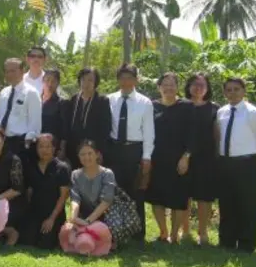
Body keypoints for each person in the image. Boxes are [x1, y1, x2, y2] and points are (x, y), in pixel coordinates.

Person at [217, 77, 256, 253]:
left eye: (236, 89)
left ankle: (246, 244)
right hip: (225, 163)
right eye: (229, 90)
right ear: (224, 92)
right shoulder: (221, 112)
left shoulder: (253, 113)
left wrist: (249, 155)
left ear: (244, 91)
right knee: (227, 203)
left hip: (246, 163)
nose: (232, 93)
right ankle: (227, 240)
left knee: (247, 204)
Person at [64, 140, 140, 250]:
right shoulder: (75, 174)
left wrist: (88, 221)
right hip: (84, 214)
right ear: (78, 157)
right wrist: (74, 217)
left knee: (107, 234)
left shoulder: (107, 173)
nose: (87, 157)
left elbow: (106, 201)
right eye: (83, 154)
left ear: (97, 155)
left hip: (107, 214)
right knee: (69, 232)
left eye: (90, 153)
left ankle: (106, 239)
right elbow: (75, 199)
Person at [106, 63, 154, 238]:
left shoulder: (144, 102)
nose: (126, 82)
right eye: (122, 78)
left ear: (136, 80)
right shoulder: (109, 99)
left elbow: (149, 132)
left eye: (129, 78)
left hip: (134, 151)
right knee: (114, 192)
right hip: (114, 150)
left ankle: (138, 234)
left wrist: (147, 157)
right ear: (118, 79)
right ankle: (114, 230)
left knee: (136, 192)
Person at [145, 73, 194, 244]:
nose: (168, 88)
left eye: (172, 84)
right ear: (159, 87)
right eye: (164, 84)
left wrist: (186, 157)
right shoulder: (152, 106)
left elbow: (193, 135)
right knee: (156, 196)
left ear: (177, 87)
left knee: (178, 198)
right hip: (156, 159)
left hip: (179, 159)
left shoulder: (187, 107)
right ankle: (163, 232)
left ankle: (175, 235)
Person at [183, 72, 220, 244]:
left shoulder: (214, 109)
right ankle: (185, 230)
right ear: (189, 86)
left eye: (202, 84)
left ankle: (203, 232)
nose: (198, 88)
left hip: (206, 158)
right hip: (183, 157)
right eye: (195, 84)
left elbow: (217, 135)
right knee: (184, 195)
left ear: (207, 88)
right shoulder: (181, 106)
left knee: (204, 197)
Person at [21, 134, 70, 249]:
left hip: (53, 214)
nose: (45, 150)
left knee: (45, 244)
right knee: (27, 241)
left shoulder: (62, 168)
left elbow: (63, 197)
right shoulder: (31, 167)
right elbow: (29, 192)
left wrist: (51, 219)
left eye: (48, 146)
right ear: (36, 149)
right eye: (41, 147)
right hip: (35, 213)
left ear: (54, 148)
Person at [0, 58, 41, 169]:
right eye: (7, 71)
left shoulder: (31, 92)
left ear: (22, 71)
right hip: (2, 141)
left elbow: (35, 122)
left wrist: (27, 143)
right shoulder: (4, 91)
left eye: (13, 71)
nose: (9, 74)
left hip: (20, 143)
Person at [60, 67, 111, 168]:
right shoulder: (73, 99)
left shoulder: (102, 101)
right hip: (73, 147)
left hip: (92, 150)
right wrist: (63, 147)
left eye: (90, 80)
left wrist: (99, 150)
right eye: (83, 79)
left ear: (96, 82)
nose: (86, 83)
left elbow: (105, 128)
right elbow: (66, 125)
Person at [41, 68, 64, 141]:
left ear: (58, 83)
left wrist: (62, 148)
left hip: (51, 145)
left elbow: (64, 129)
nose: (50, 84)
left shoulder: (61, 103)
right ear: (43, 80)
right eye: (47, 80)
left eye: (53, 81)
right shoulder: (35, 100)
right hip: (34, 143)